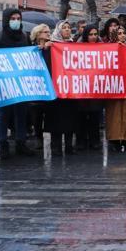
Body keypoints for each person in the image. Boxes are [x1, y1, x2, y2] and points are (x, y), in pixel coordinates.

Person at [0, 8, 36, 158]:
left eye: (18, 18)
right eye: (12, 18)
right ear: (6, 19)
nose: (16, 21)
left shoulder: (25, 36)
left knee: (21, 113)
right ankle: (3, 144)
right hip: (3, 81)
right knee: (4, 114)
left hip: (22, 81)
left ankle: (21, 142)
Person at [48, 21, 76, 156]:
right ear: (58, 30)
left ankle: (69, 146)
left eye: (69, 28)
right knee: (56, 120)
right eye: (64, 28)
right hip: (56, 89)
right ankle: (56, 147)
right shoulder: (52, 46)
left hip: (70, 89)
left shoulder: (74, 45)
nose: (67, 30)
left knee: (70, 118)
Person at [76, 26, 104, 151]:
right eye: (91, 34)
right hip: (82, 87)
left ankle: (95, 140)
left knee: (94, 116)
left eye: (95, 34)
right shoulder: (77, 48)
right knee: (81, 116)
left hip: (95, 87)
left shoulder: (103, 48)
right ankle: (81, 140)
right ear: (86, 35)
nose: (93, 36)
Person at [29, 23, 52, 150]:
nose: (48, 34)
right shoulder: (30, 49)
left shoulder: (53, 47)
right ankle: (38, 136)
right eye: (45, 32)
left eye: (49, 32)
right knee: (36, 112)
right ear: (38, 35)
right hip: (36, 85)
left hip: (49, 83)